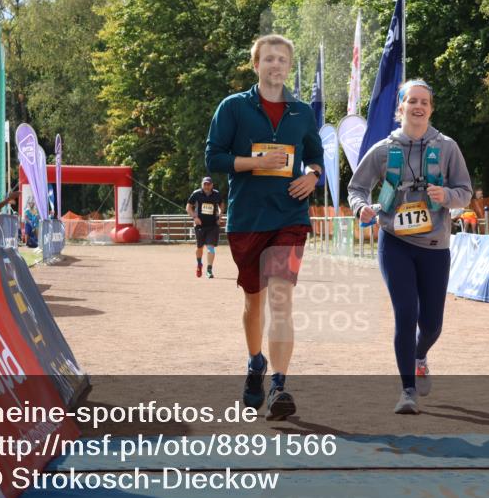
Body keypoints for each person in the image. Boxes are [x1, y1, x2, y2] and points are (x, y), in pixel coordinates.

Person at [205, 34, 324, 421]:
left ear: (289, 67)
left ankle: (279, 385)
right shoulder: (233, 108)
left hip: (290, 217)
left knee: (280, 299)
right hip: (248, 219)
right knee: (254, 300)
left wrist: (313, 176)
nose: (276, 65)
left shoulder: (303, 112)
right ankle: (255, 363)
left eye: (282, 60)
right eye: (268, 59)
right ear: (255, 65)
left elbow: (315, 156)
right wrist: (253, 163)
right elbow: (214, 158)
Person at [348, 79, 472, 414]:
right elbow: (356, 188)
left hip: (435, 244)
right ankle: (407, 390)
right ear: (400, 107)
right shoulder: (383, 150)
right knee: (406, 313)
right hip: (396, 242)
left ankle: (420, 355)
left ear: (431, 108)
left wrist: (446, 196)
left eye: (424, 102)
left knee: (431, 324)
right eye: (411, 101)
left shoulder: (447, 148)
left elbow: (465, 191)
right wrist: (363, 208)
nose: (418, 107)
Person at [186, 176, 223, 278]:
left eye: (208, 184)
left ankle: (209, 270)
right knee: (199, 247)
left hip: (212, 225)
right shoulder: (196, 194)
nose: (206, 186)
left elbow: (221, 205)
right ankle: (199, 264)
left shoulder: (216, 194)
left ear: (212, 185)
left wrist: (220, 215)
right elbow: (188, 207)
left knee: (210, 248)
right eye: (205, 184)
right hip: (200, 226)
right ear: (202, 185)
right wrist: (195, 217)